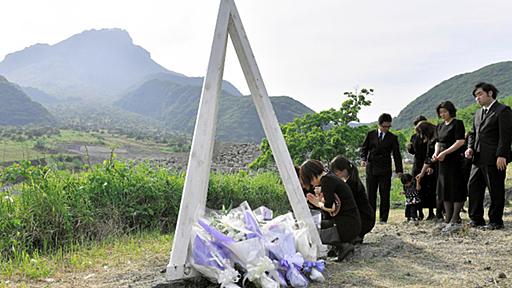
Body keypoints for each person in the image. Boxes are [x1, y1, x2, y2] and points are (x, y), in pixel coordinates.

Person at [465, 82, 512, 230]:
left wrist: (502, 155)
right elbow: (472, 133)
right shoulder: (478, 113)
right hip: (477, 158)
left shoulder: (503, 110)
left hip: (495, 159)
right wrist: (470, 147)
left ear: (490, 93)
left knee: (495, 190)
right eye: (475, 96)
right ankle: (476, 219)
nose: (477, 98)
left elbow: (506, 136)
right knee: (473, 187)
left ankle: (495, 221)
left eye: (480, 94)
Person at [300, 159, 361, 261]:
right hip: (351, 223)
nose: (312, 184)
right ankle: (339, 246)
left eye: (310, 181)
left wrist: (317, 203)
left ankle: (343, 246)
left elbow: (330, 207)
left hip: (347, 226)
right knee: (317, 225)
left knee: (315, 231)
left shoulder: (327, 181)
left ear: (312, 175)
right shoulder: (330, 178)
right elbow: (331, 209)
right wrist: (321, 199)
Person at [360, 113, 403, 223]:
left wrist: (399, 170)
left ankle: (383, 218)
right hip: (371, 168)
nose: (386, 129)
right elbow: (364, 149)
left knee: (384, 194)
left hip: (385, 169)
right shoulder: (370, 135)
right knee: (371, 194)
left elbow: (397, 155)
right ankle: (371, 217)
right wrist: (363, 159)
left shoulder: (393, 138)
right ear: (379, 125)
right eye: (384, 126)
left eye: (388, 126)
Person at [432, 101, 466, 232]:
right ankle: (448, 216)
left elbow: (460, 141)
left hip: (454, 159)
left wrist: (445, 152)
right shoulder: (439, 126)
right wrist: (437, 153)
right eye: (440, 112)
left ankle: (455, 217)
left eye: (445, 112)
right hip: (442, 161)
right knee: (444, 187)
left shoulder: (457, 123)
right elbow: (438, 142)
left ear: (451, 111)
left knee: (456, 187)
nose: (442, 114)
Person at [329, 155, 375, 244]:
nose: (336, 175)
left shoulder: (351, 184)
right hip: (367, 217)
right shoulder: (351, 181)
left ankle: (356, 235)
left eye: (337, 172)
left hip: (364, 220)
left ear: (344, 170)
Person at [414, 121, 443, 220]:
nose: (421, 136)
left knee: (440, 190)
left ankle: (442, 213)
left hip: (442, 165)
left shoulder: (437, 137)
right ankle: (439, 214)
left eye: (422, 133)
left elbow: (430, 157)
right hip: (435, 166)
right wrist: (422, 173)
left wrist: (424, 171)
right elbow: (428, 157)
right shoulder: (431, 139)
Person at [406, 115, 433, 220]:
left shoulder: (429, 136)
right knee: (417, 188)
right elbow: (413, 151)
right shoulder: (414, 137)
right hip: (417, 164)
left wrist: (431, 165)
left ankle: (431, 211)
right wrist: (409, 148)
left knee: (430, 187)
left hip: (428, 163)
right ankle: (419, 212)